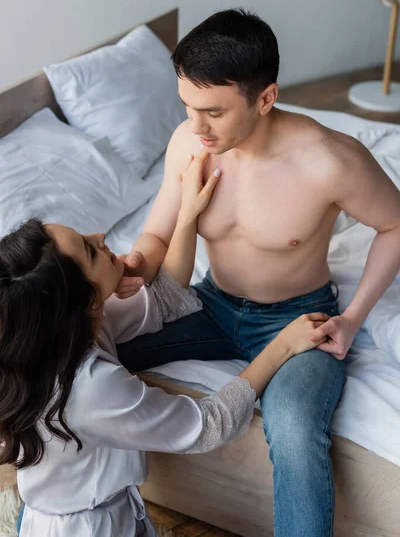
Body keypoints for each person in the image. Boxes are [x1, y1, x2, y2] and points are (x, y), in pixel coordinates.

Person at [115, 9, 400, 537]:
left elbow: (394, 224)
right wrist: (136, 265)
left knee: (293, 428)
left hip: (299, 317)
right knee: (87, 349)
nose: (196, 127)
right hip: (209, 305)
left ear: (265, 98)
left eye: (214, 113)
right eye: (187, 107)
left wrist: (355, 318)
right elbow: (155, 236)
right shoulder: (188, 142)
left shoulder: (328, 159)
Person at [0, 154, 328, 537]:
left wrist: (186, 215)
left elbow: (169, 298)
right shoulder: (91, 387)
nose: (100, 236)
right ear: (81, 302)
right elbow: (209, 425)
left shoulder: (60, 337)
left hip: (86, 509)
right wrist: (282, 348)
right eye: (90, 251)